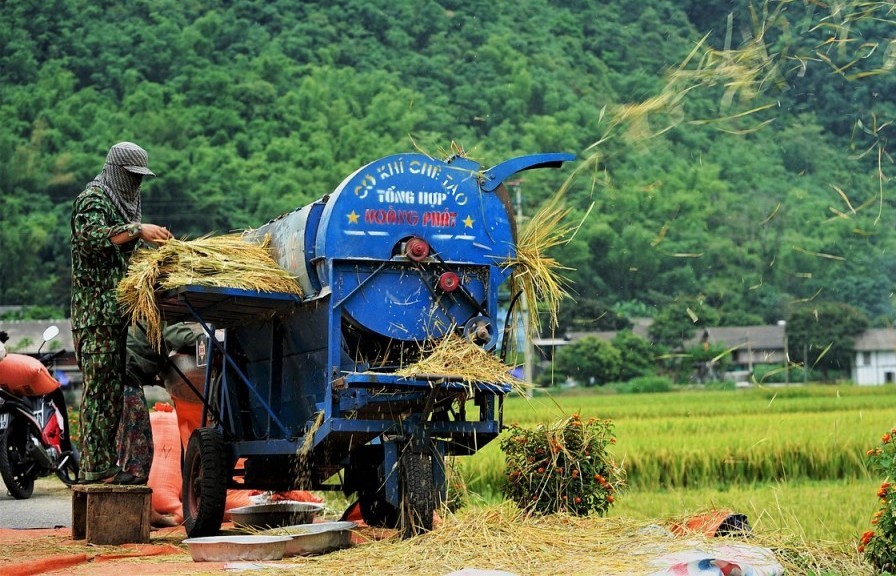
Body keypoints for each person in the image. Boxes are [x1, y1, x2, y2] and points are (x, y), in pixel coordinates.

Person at [70, 141, 172, 484]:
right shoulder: (94, 199)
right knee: (99, 391)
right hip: (95, 317)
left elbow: (126, 255)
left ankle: (104, 466)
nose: (136, 184)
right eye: (132, 176)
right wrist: (137, 230)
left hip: (116, 317)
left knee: (113, 392)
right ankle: (96, 468)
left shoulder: (125, 204)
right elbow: (91, 237)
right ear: (117, 171)